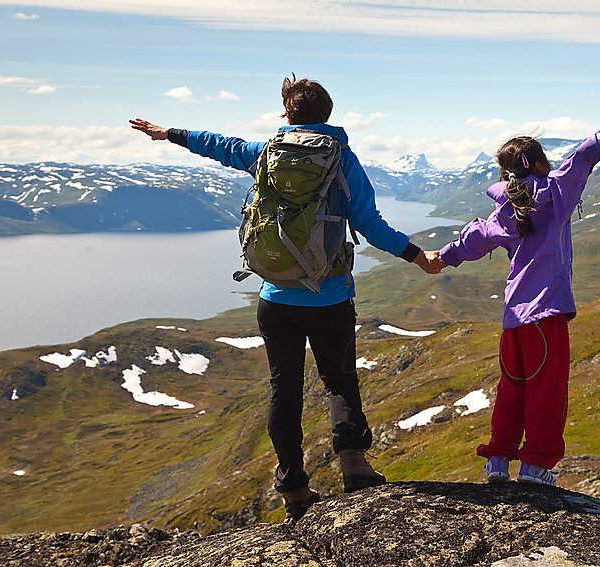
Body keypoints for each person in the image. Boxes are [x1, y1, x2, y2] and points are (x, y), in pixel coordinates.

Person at [130, 75, 443, 521]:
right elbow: (371, 225)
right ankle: (354, 467)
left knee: (285, 391)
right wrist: (417, 256)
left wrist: (168, 134)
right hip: (330, 296)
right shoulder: (343, 161)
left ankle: (294, 489)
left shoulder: (266, 153)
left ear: (286, 113)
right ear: (328, 115)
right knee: (339, 380)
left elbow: (217, 144)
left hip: (275, 298)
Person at [431, 100, 600, 486]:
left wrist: (442, 258)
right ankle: (535, 467)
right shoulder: (557, 195)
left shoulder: (505, 210)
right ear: (542, 162)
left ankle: (498, 461)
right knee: (546, 392)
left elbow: (473, 238)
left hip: (513, 319)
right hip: (546, 316)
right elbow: (581, 160)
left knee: (512, 388)